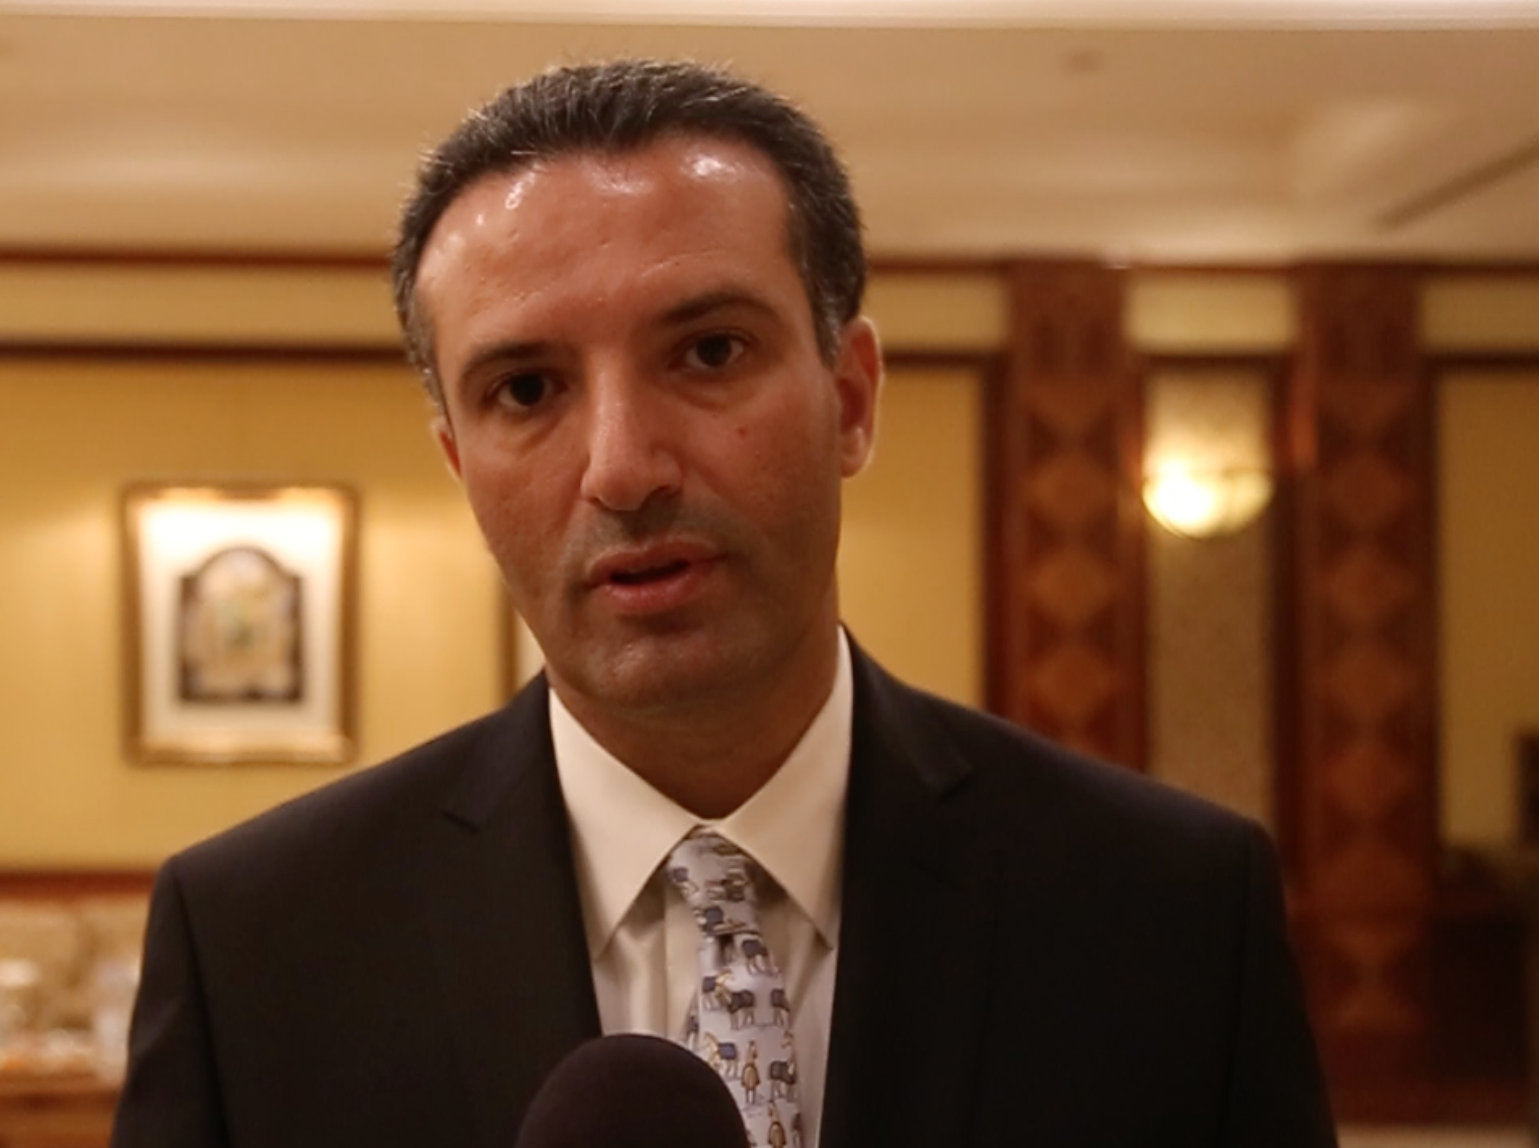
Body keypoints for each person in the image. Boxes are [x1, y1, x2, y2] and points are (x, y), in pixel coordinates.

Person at [109, 59, 1337, 1148]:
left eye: (707, 353)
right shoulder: (256, 946)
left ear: (849, 399)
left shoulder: (1171, 911)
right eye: (526, 388)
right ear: (458, 463)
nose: (622, 468)